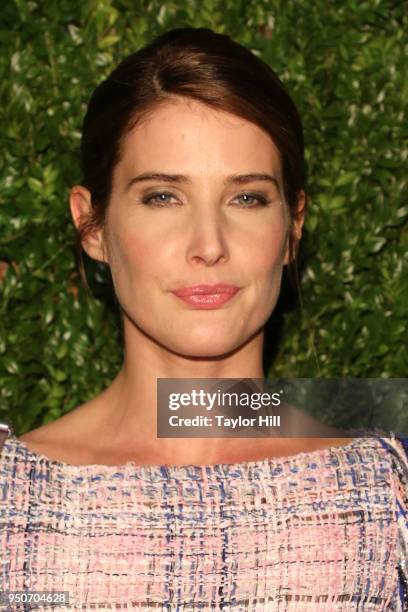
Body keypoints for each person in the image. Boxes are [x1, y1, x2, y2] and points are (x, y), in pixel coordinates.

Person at [0, 26, 407, 611]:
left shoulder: (389, 497)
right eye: (163, 196)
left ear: (292, 228)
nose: (209, 245)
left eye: (247, 198)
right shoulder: (14, 501)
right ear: (92, 226)